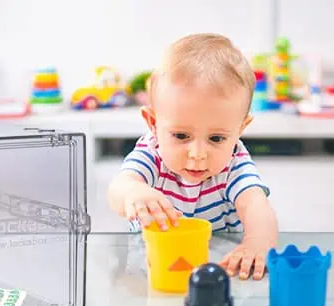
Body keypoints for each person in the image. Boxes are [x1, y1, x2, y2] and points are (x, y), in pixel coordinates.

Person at [107, 33, 278, 280]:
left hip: (218, 269)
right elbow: (118, 189)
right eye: (181, 136)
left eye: (216, 139)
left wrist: (258, 243)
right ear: (153, 124)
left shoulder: (234, 161)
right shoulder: (152, 152)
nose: (197, 154)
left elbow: (255, 205)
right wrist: (133, 192)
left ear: (240, 129)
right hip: (154, 269)